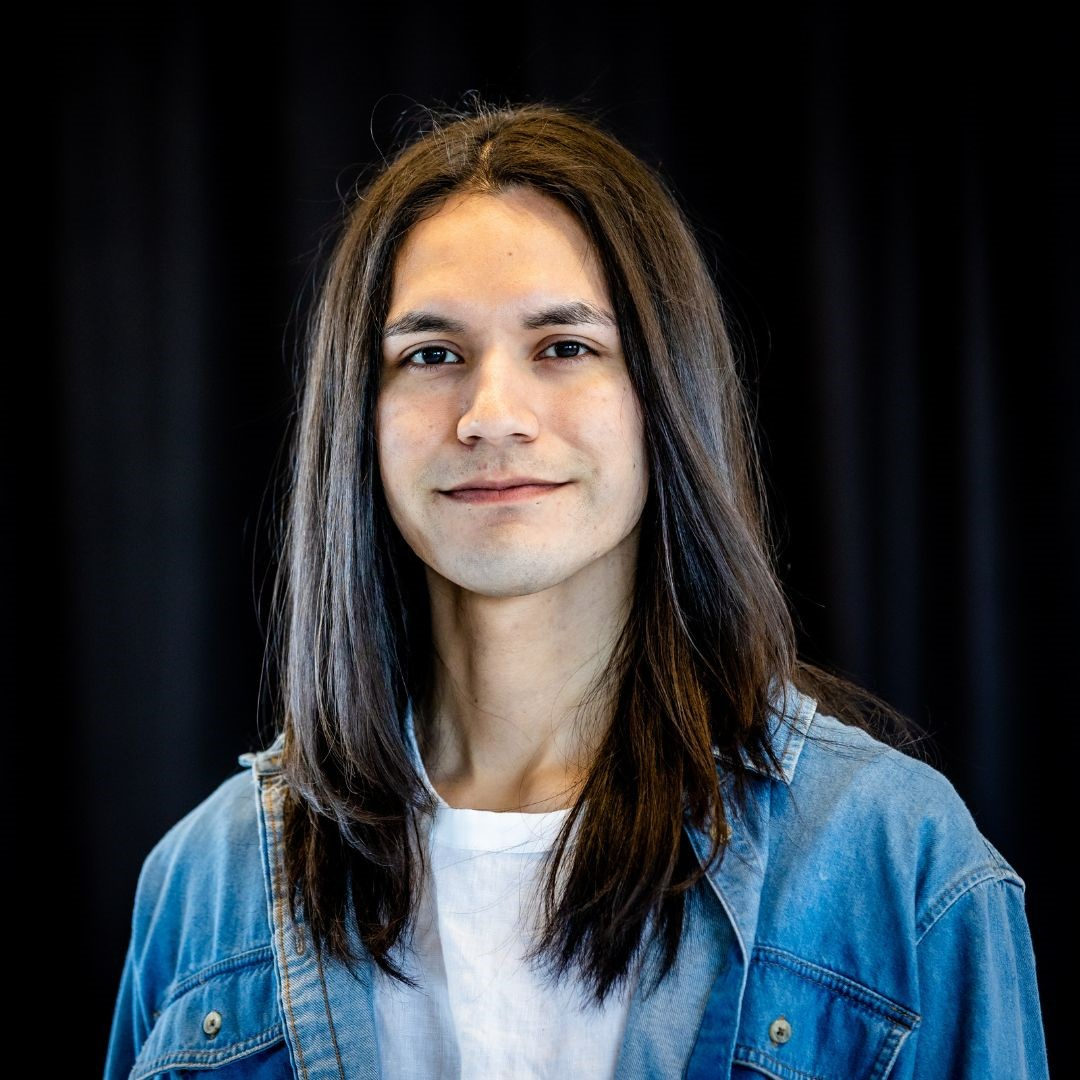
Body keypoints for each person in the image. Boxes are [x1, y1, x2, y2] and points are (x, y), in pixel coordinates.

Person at [104, 101, 1049, 1080]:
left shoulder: (900, 870)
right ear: (360, 419)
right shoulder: (206, 885)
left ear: (664, 394)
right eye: (432, 356)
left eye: (564, 347)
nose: (492, 415)